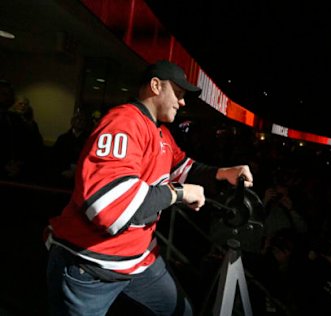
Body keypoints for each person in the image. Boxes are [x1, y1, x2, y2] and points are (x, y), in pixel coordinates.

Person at [44, 60, 254, 316]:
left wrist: (223, 172)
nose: (183, 102)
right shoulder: (123, 122)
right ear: (155, 86)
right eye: (178, 94)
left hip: (139, 257)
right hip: (91, 265)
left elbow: (184, 168)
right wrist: (178, 193)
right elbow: (108, 208)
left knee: (181, 311)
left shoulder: (162, 133)